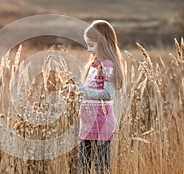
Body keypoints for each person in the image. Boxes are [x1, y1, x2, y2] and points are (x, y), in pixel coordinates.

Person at [69, 20, 124, 174]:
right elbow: (89, 91)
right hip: (87, 125)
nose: (88, 49)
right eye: (87, 45)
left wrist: (83, 91)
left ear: (103, 44)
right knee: (83, 167)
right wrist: (76, 91)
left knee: (101, 168)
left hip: (101, 124)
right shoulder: (94, 65)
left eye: (91, 45)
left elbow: (107, 94)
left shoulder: (108, 65)